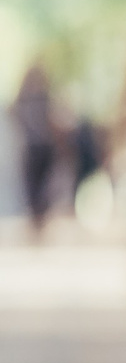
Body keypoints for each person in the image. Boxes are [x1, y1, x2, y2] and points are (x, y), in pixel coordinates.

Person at [12, 64, 57, 239]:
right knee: (33, 186)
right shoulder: (24, 98)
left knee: (43, 185)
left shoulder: (45, 97)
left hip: (43, 146)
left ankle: (40, 222)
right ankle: (35, 223)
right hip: (32, 146)